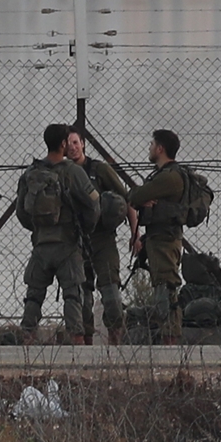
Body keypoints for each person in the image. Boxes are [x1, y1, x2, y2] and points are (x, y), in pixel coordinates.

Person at [15, 123, 100, 344]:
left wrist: (39, 228)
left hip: (41, 244)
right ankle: (77, 341)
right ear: (63, 144)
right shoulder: (73, 172)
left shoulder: (31, 174)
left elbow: (21, 212)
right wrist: (84, 229)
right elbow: (94, 205)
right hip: (68, 244)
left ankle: (27, 338)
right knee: (72, 294)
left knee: (34, 295)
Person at [66, 127, 138, 345]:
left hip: (103, 240)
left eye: (76, 142)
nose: (72, 147)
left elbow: (128, 200)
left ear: (83, 144)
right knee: (82, 299)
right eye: (68, 144)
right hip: (76, 241)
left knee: (112, 295)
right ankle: (85, 350)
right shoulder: (63, 173)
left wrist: (135, 234)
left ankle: (115, 345)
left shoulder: (100, 170)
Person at [128, 130, 188, 345]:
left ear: (160, 148)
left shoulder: (169, 177)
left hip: (165, 241)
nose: (150, 148)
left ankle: (170, 340)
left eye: (152, 144)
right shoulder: (164, 175)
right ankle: (167, 336)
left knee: (166, 291)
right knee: (163, 289)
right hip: (159, 239)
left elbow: (135, 195)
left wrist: (142, 198)